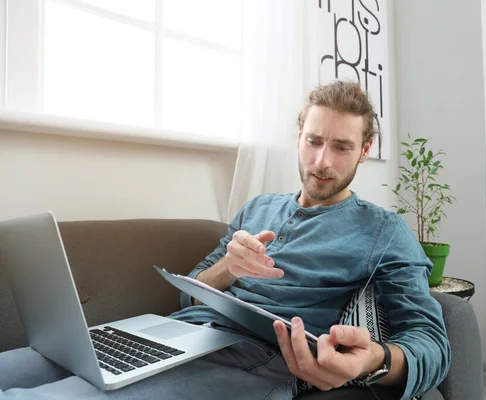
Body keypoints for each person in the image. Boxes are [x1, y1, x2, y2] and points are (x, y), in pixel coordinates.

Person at [0, 81, 449, 400]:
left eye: (342, 147)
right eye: (313, 141)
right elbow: (192, 292)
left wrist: (373, 360)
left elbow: (432, 342)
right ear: (298, 136)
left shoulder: (384, 232)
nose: (321, 161)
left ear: (365, 150)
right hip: (178, 333)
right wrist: (227, 269)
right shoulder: (257, 208)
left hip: (256, 360)